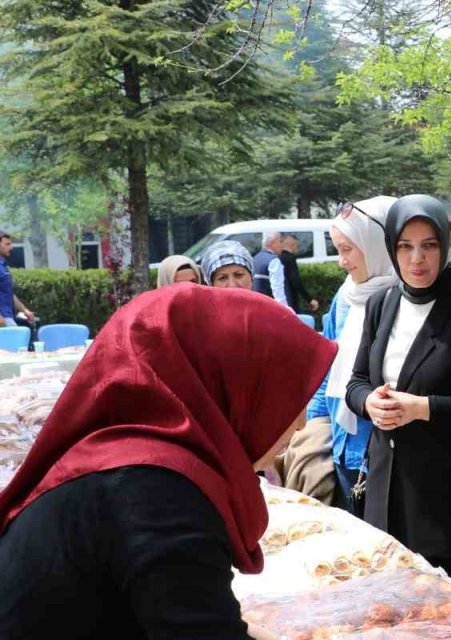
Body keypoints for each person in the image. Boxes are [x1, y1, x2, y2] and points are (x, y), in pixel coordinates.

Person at [0, 285, 337, 638]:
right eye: (287, 395)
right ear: (235, 384)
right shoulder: (157, 491)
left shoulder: (136, 459)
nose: (299, 423)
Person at [345, 194, 451, 590]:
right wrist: (369, 402)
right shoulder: (381, 304)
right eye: (405, 247)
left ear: (445, 244)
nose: (416, 258)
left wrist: (423, 408)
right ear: (391, 249)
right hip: (387, 501)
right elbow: (356, 382)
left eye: (428, 245)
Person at [305, 196, 399, 511]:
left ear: (376, 245)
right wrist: (316, 429)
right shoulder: (345, 298)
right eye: (337, 250)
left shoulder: (405, 301)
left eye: (347, 250)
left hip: (385, 454)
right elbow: (327, 370)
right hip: (341, 448)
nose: (341, 261)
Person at [0, 230, 37, 329]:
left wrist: (25, 310)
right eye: (7, 244)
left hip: (8, 317)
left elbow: (8, 293)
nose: (11, 248)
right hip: (3, 320)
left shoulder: (3, 266)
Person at [280, 235, 320, 312]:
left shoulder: (277, 257)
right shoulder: (290, 258)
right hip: (290, 298)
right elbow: (295, 281)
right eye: (296, 246)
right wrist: (309, 299)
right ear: (293, 245)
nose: (297, 249)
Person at [251, 231, 289, 305]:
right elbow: (278, 290)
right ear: (271, 242)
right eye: (280, 241)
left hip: (255, 305)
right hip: (268, 307)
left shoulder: (255, 258)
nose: (283, 246)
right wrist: (285, 310)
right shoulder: (274, 261)